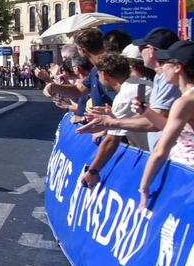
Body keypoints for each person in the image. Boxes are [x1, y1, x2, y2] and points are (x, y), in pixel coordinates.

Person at [137, 39, 194, 212]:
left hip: (185, 176)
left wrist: (144, 188)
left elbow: (160, 151)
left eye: (164, 63)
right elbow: (179, 130)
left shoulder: (184, 102)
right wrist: (147, 112)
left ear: (178, 67)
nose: (160, 68)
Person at [77, 52, 147, 190]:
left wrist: (93, 171)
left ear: (104, 75)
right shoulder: (143, 84)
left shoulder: (123, 97)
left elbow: (112, 140)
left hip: (150, 153)